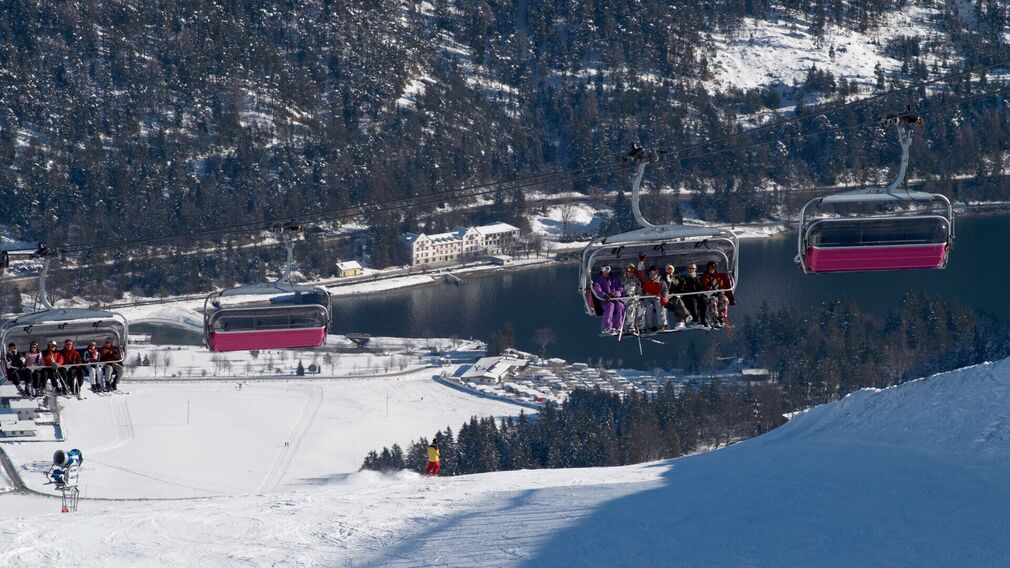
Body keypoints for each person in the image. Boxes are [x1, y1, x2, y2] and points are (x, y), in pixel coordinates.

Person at [592, 265, 624, 335]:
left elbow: (620, 289)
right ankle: (606, 327)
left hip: (614, 299)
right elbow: (597, 290)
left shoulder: (614, 279)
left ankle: (618, 327)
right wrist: (604, 295)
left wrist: (616, 294)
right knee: (610, 306)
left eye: (607, 269)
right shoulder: (599, 280)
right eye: (604, 270)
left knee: (620, 305)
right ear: (602, 270)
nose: (606, 272)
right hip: (604, 301)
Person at [637, 261, 668, 332]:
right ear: (649, 273)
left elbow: (665, 290)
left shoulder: (661, 281)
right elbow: (640, 271)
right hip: (647, 296)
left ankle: (662, 325)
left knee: (660, 306)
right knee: (649, 308)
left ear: (658, 273)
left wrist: (664, 298)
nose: (654, 275)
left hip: (657, 296)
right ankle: (650, 326)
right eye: (652, 272)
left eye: (655, 272)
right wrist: (641, 262)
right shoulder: (646, 278)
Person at [661, 264, 693, 329]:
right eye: (668, 269)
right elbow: (664, 289)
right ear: (666, 270)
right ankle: (686, 316)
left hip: (676, 296)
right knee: (676, 300)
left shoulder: (676, 278)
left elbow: (681, 287)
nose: (670, 271)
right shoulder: (663, 278)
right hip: (667, 298)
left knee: (678, 301)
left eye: (671, 269)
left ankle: (680, 322)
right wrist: (668, 282)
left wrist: (681, 290)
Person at [621, 262, 644, 334]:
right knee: (630, 307)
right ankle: (630, 326)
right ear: (626, 270)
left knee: (641, 306)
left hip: (634, 298)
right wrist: (623, 296)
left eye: (633, 270)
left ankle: (640, 327)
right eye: (629, 269)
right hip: (625, 299)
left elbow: (640, 291)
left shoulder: (636, 280)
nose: (631, 272)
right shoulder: (622, 280)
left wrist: (637, 296)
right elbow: (619, 289)